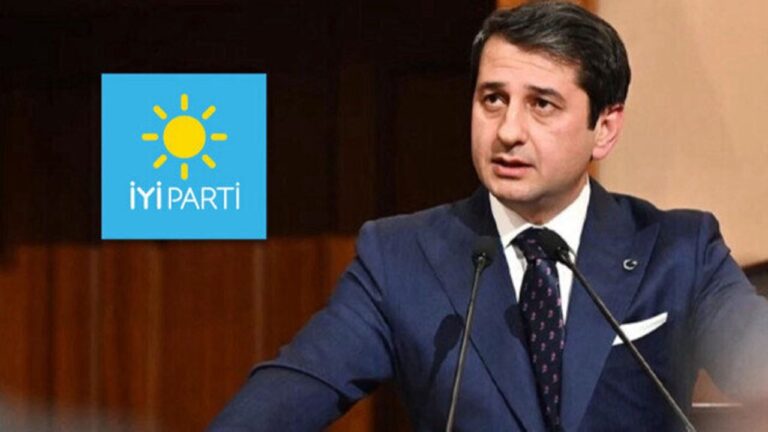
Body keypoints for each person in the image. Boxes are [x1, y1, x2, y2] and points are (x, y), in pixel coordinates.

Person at [209, 2, 768, 431]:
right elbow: (284, 398)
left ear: (604, 128)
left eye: (541, 104)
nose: (507, 131)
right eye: (492, 99)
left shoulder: (679, 250)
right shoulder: (400, 258)